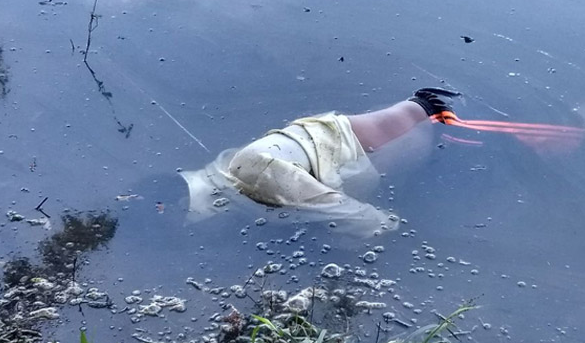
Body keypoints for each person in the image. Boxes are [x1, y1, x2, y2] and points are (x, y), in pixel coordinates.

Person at [180, 88, 459, 237]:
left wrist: (391, 227)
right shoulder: (214, 176)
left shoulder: (258, 177)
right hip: (337, 137)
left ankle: (437, 111)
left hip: (391, 137)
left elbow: (351, 214)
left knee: (428, 140)